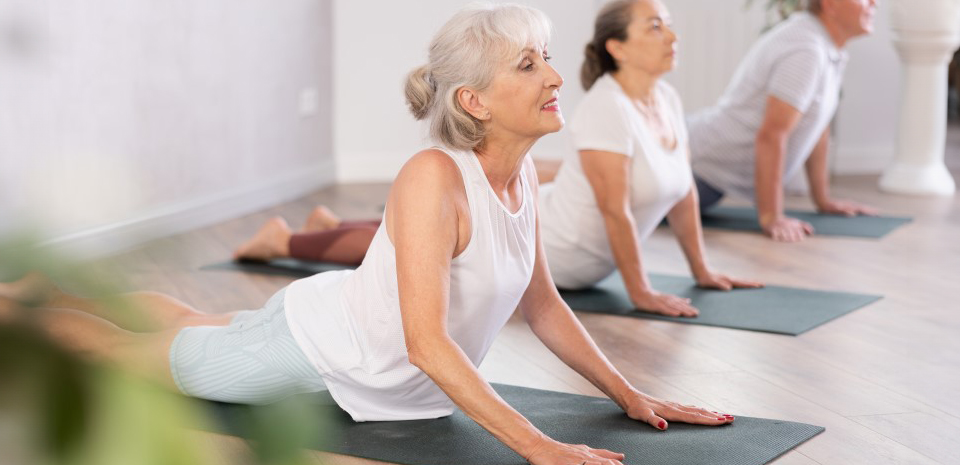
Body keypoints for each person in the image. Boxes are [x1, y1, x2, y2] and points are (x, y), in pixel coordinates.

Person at [0, 5, 734, 465]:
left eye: (544, 56)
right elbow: (425, 342)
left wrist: (630, 392)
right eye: (528, 62)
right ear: (474, 101)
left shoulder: (520, 177)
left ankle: (35, 283)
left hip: (338, 326)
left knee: (188, 320)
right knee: (116, 353)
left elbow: (542, 305)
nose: (553, 76)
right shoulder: (432, 177)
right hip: (310, 352)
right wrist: (534, 444)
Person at [538, 0, 762, 318]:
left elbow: (685, 194)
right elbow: (615, 210)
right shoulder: (606, 106)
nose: (672, 37)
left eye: (668, 24)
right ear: (617, 47)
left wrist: (703, 271)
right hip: (551, 250)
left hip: (592, 268)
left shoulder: (667, 98)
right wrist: (640, 292)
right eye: (655, 26)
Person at [688, 0, 879, 242]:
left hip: (709, 178)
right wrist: (772, 216)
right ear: (829, 3)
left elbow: (817, 127)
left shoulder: (827, 46)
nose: (874, 3)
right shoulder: (805, 49)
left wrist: (823, 199)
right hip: (689, 165)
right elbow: (772, 135)